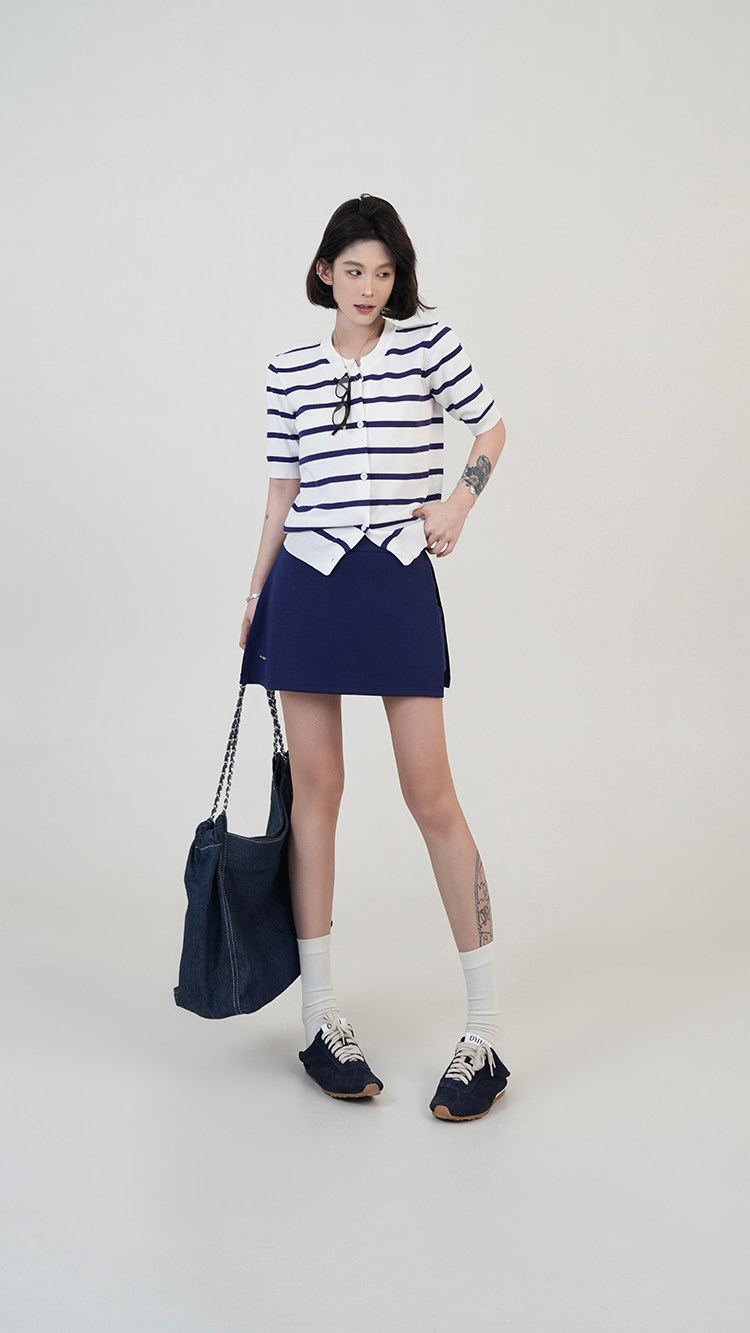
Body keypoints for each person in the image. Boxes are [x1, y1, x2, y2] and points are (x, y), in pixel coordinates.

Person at [239, 194, 510, 1121]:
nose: (369, 288)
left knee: (431, 793)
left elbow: (492, 428)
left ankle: (487, 1030)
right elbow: (281, 491)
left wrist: (458, 503)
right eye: (354, 270)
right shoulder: (287, 370)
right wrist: (254, 596)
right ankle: (320, 1017)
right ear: (326, 272)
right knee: (317, 791)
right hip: (307, 585)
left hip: (395, 579)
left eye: (384, 272)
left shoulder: (429, 347)